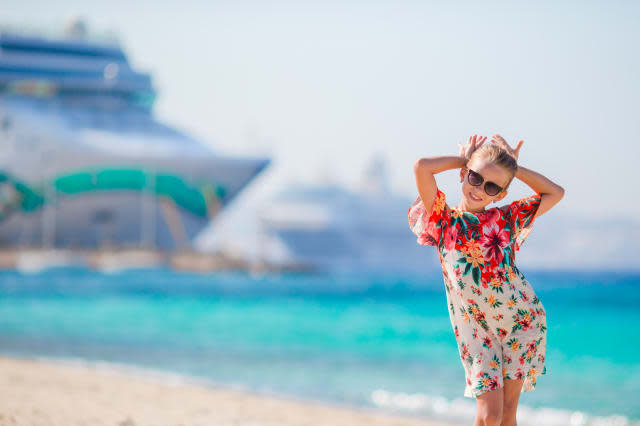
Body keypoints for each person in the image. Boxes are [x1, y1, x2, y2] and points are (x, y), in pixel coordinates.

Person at [408, 134, 564, 426]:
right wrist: (465, 160)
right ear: (464, 174)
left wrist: (514, 169)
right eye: (475, 178)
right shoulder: (443, 220)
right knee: (489, 417)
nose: (480, 188)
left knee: (506, 415)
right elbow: (421, 167)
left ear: (501, 194)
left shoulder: (506, 220)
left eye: (492, 185)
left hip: (520, 322)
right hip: (478, 333)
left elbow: (555, 193)